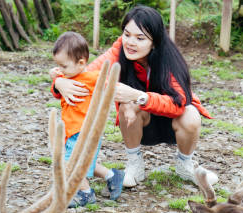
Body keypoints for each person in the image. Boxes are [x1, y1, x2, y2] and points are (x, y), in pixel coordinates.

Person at [52, 6, 218, 187]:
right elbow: (87, 74)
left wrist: (140, 96)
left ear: (154, 41)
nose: (130, 42)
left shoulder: (170, 59)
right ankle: (134, 165)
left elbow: (179, 103)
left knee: (191, 114)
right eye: (127, 34)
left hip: (173, 124)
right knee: (126, 105)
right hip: (141, 125)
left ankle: (185, 164)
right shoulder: (120, 50)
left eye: (140, 38)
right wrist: (60, 83)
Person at [49, 31, 124, 207]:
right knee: (85, 162)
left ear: (81, 62)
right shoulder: (66, 76)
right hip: (72, 131)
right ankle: (112, 176)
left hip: (85, 131)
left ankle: (85, 193)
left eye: (63, 66)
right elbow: (56, 93)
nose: (60, 70)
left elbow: (111, 85)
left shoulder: (92, 77)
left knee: (71, 164)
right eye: (57, 65)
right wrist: (56, 78)